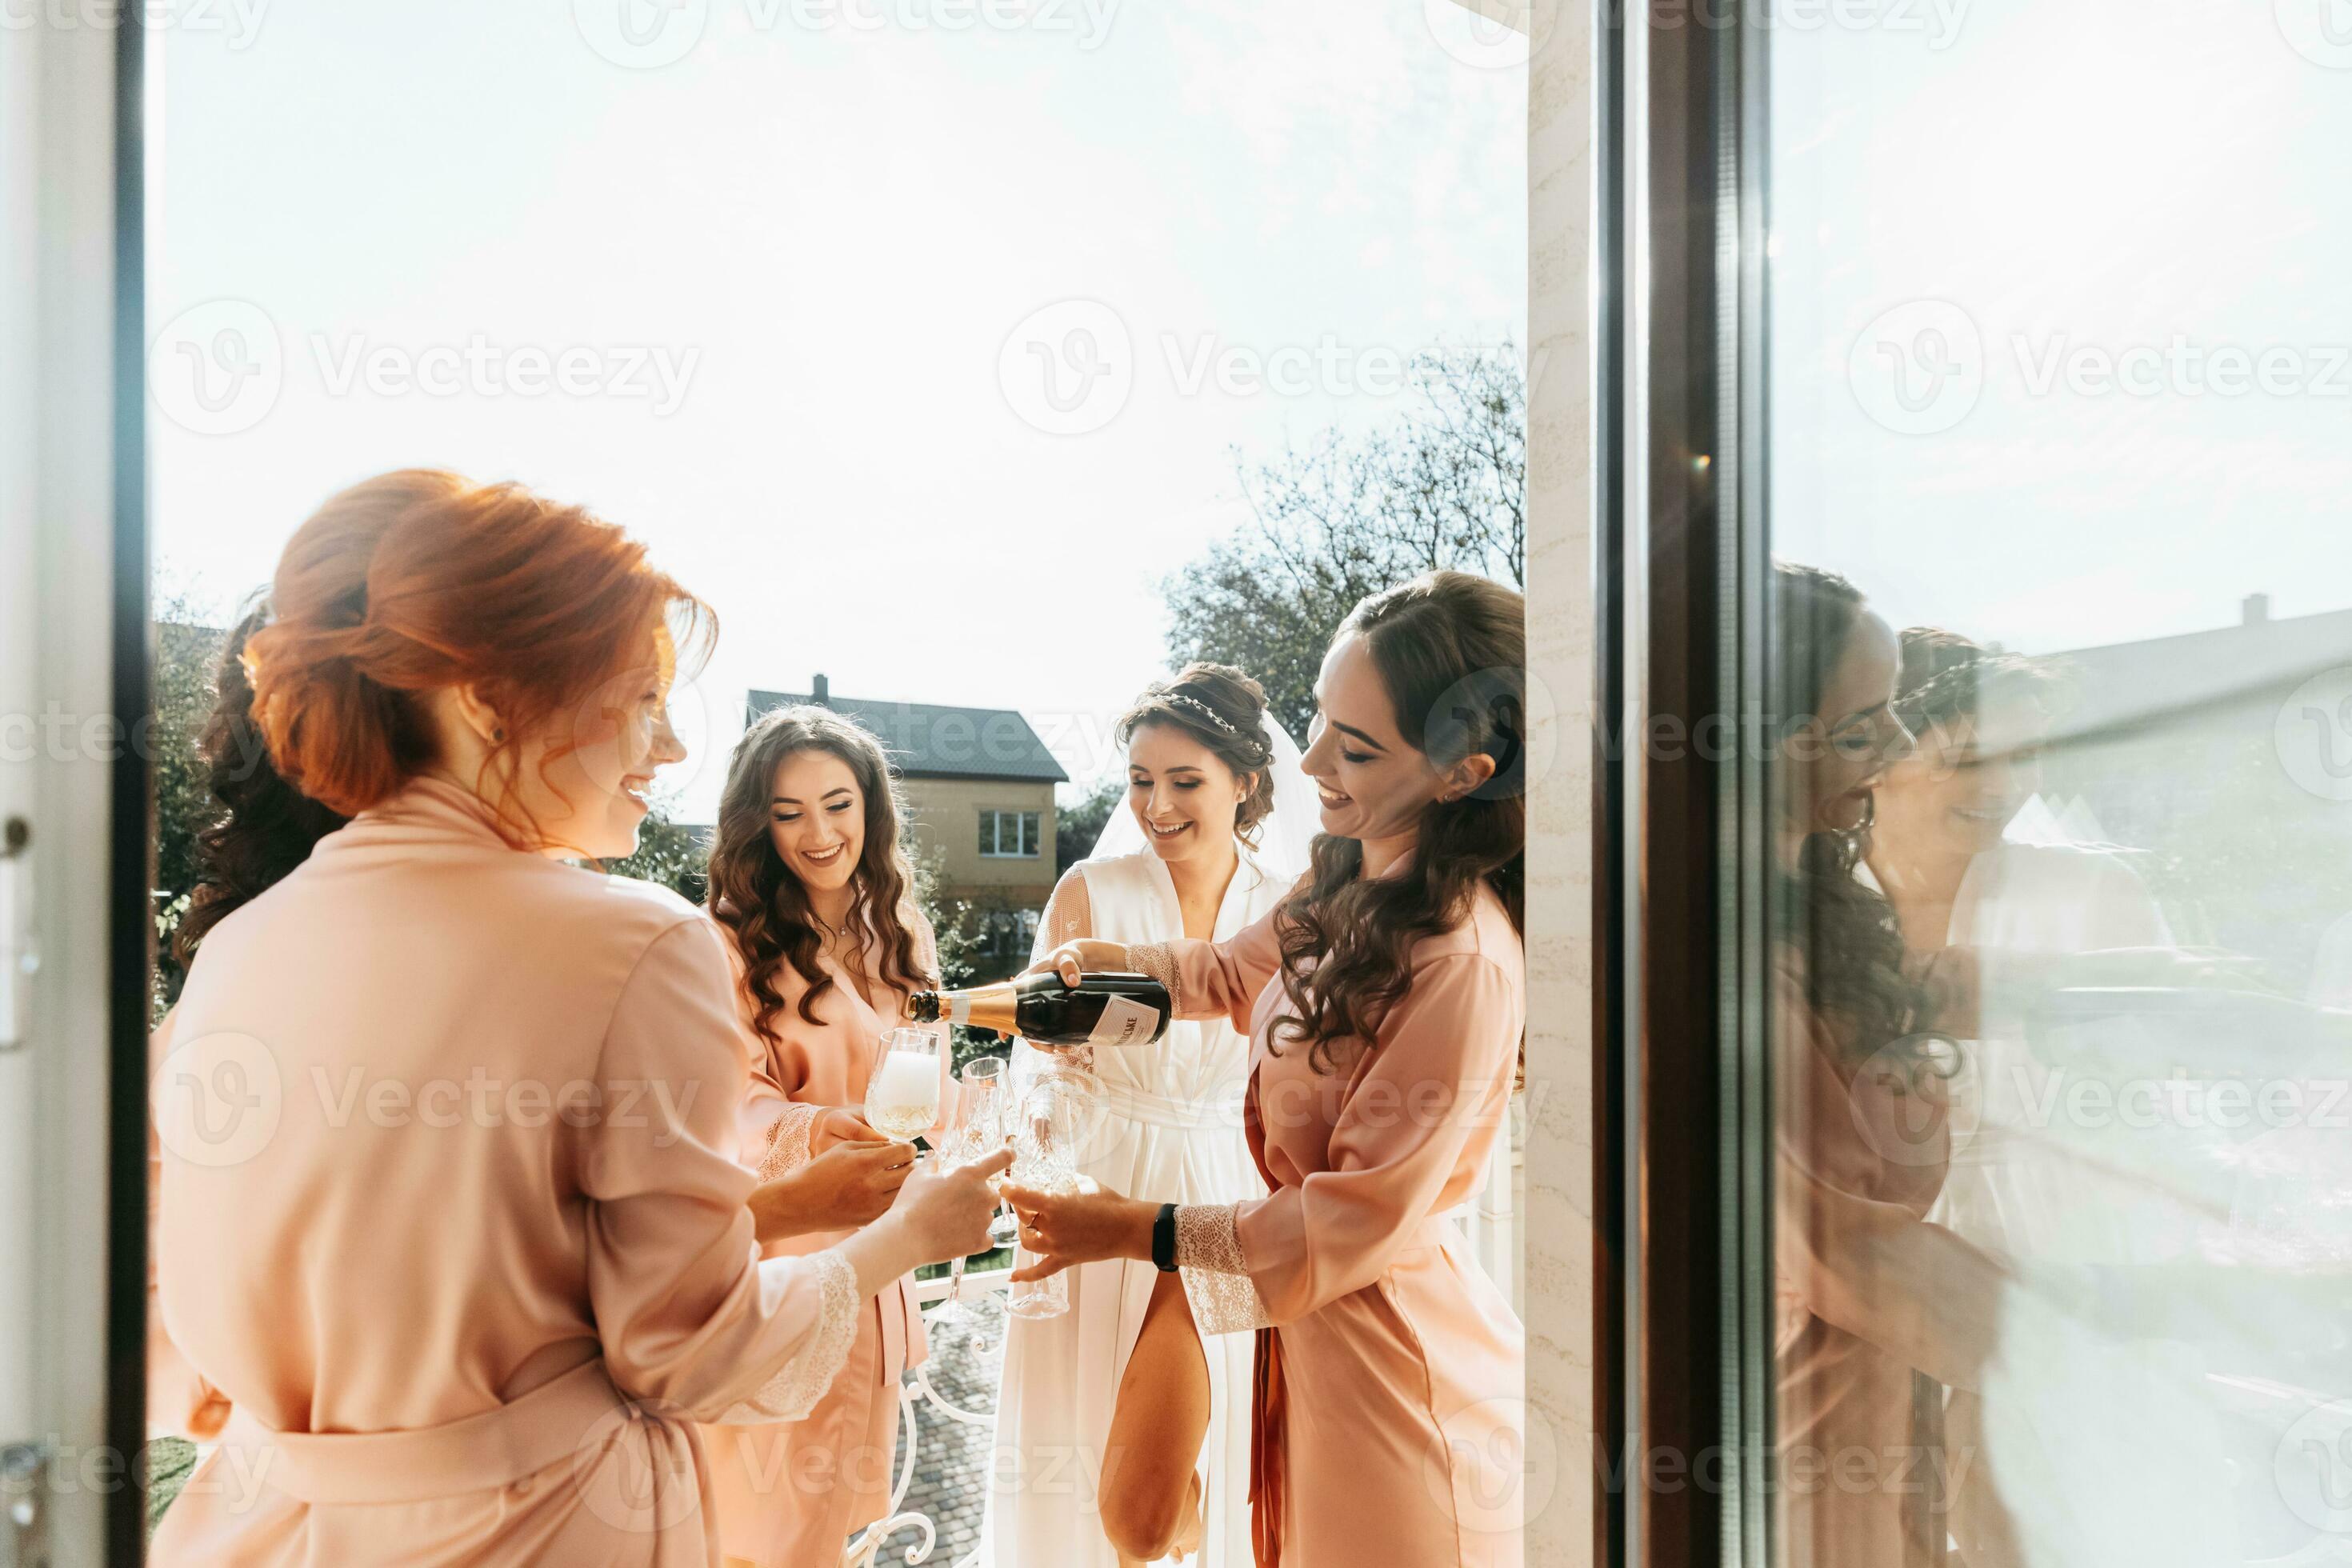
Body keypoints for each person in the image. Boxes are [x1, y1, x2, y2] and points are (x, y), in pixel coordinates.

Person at [148, 470, 1006, 1566]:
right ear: (490, 703)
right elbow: (693, 1354)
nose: (672, 749)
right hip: (536, 1529)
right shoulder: (638, 945)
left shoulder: (243, 947)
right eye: (640, 698)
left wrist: (339, 1440)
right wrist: (907, 1241)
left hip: (256, 1529)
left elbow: (164, 1325)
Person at [1003, 571, 1528, 1568]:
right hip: (1307, 1340)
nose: (1317, 762)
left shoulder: (1460, 963)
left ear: (1463, 774)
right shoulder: (1339, 879)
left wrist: (1128, 1230)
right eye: (1322, 723)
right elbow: (1220, 973)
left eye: (1357, 747)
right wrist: (1087, 970)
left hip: (1390, 1364)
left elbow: (1351, 1218)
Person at [984, 663, 1315, 1568]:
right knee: (1099, 1462)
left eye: (1183, 781)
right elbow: (1041, 1063)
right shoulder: (1092, 889)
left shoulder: (1292, 902)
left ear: (1244, 783)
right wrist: (1056, 1170)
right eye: (1139, 781)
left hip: (1225, 1186)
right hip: (1103, 1177)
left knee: (1171, 1484)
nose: (1156, 805)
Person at [698, 703, 956, 1566]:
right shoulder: (727, 943)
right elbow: (725, 1097)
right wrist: (812, 1131)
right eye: (788, 811)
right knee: (764, 1528)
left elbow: (932, 1075)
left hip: (881, 1264)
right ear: (755, 823)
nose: (820, 831)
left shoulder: (899, 930)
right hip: (786, 1264)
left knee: (836, 1525)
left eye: (839, 803)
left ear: (871, 808)